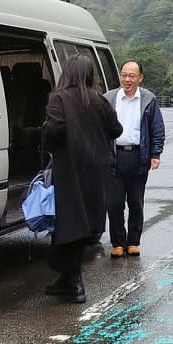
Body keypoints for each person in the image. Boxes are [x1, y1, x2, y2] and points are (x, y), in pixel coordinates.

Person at [40, 56, 122, 303]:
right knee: (83, 222)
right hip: (96, 169)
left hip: (70, 169)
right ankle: (68, 281)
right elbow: (116, 130)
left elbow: (53, 129)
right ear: (89, 74)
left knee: (69, 222)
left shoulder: (59, 98)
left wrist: (46, 141)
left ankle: (74, 284)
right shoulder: (98, 99)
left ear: (67, 72)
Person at [105, 60, 165, 257]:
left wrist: (155, 154)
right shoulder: (109, 98)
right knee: (114, 203)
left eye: (131, 76)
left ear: (140, 78)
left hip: (139, 157)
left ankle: (133, 242)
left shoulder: (148, 99)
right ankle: (117, 243)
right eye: (124, 75)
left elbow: (157, 129)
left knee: (136, 202)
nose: (127, 79)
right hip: (115, 156)